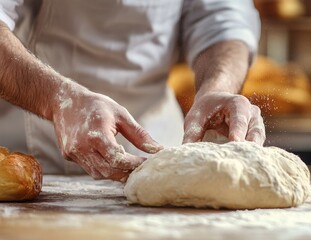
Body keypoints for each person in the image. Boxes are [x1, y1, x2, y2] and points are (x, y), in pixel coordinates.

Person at [0, 0, 265, 182]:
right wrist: (58, 100)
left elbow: (222, 19)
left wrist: (216, 88)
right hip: (28, 154)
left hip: (156, 150)